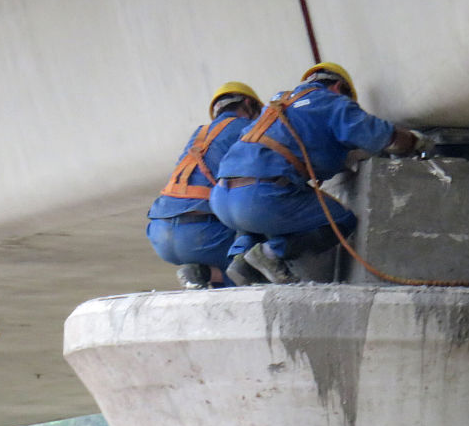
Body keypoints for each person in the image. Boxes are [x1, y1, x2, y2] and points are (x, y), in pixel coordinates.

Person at [211, 62, 431, 285]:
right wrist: (415, 141)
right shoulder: (331, 102)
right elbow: (381, 136)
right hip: (261, 197)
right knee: (340, 220)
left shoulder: (277, 104)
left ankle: (241, 259)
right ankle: (269, 254)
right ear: (338, 87)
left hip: (222, 199)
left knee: (258, 221)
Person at [146, 82, 263, 289]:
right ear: (248, 103)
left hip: (160, 233)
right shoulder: (247, 129)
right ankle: (205, 273)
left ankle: (203, 274)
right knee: (255, 265)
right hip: (202, 234)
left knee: (230, 270)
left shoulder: (199, 135)